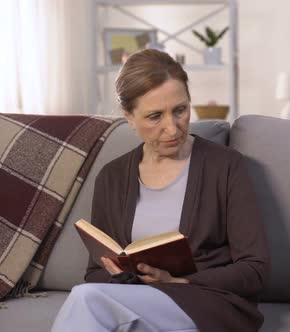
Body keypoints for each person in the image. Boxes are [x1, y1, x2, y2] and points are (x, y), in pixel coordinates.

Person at [51, 49, 270, 332]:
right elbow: (95, 272)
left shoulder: (226, 166)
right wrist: (128, 280)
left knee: (86, 300)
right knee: (96, 303)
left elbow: (256, 269)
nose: (172, 128)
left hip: (207, 304)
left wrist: (179, 281)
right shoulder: (112, 177)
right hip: (140, 304)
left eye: (180, 110)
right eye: (155, 116)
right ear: (129, 118)